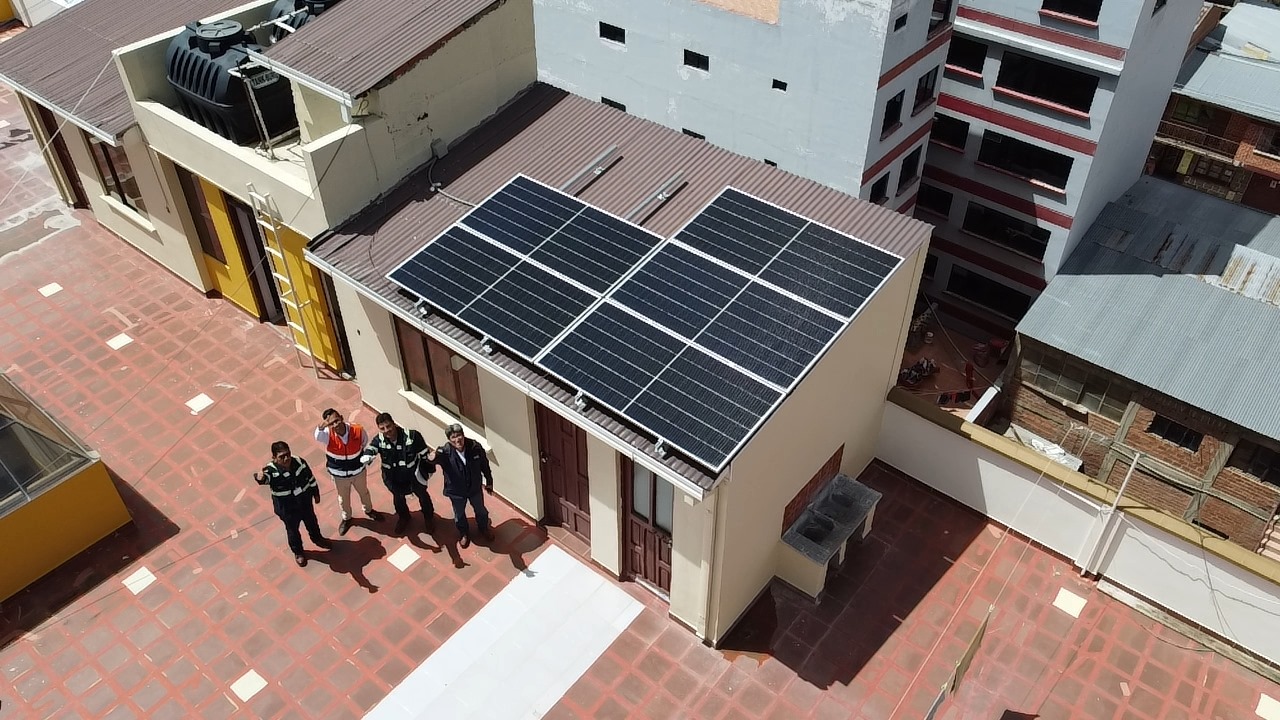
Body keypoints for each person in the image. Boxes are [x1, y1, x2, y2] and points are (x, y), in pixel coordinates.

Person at [255, 441, 331, 567]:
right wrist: (260, 477)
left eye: (288, 454)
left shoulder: (299, 462)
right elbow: (264, 478)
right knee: (293, 531)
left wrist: (315, 493)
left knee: (312, 522)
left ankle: (318, 539)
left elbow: (310, 477)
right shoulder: (271, 471)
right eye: (282, 457)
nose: (286, 459)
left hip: (304, 503)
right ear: (274, 458)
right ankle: (298, 552)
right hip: (287, 509)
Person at [360, 412, 436, 535]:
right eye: (382, 428)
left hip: (413, 477)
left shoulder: (412, 436)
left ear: (394, 424)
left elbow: (425, 456)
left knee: (423, 496)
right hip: (393, 478)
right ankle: (404, 517)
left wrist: (429, 471)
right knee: (398, 499)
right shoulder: (379, 440)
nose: (386, 431)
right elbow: (372, 448)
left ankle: (429, 518)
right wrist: (367, 456)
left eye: (388, 426)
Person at [315, 408, 383, 535]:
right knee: (343, 499)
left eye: (337, 420)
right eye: (331, 423)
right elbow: (317, 436)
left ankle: (369, 510)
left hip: (358, 472)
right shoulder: (327, 435)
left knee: (364, 493)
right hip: (339, 477)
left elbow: (364, 442)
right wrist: (322, 426)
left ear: (341, 417)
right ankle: (347, 518)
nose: (336, 425)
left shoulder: (357, 429)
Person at [428, 423, 494, 548]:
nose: (457, 439)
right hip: (456, 492)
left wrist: (489, 482)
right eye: (453, 437)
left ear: (463, 435)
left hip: (474, 489)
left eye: (459, 435)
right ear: (449, 440)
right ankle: (464, 533)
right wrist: (431, 458)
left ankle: (484, 528)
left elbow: (484, 465)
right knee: (459, 514)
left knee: (481, 511)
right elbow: (433, 461)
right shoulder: (444, 452)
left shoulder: (475, 447)